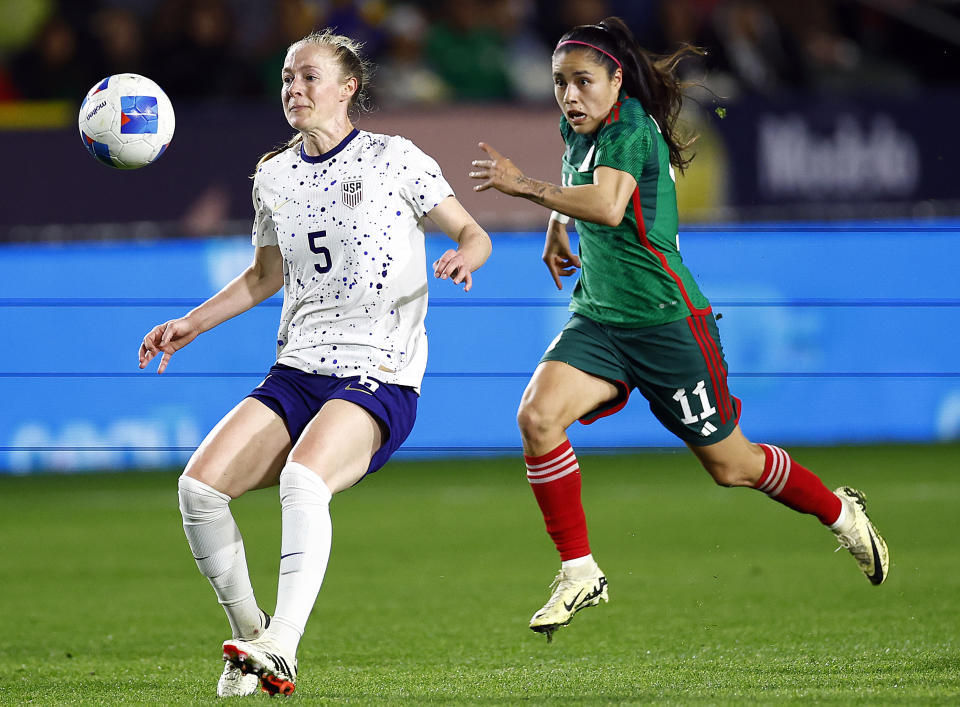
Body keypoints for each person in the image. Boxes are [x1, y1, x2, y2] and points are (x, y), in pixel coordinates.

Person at [468, 17, 888, 642]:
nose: (569, 96)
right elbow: (585, 189)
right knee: (537, 416)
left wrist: (524, 189)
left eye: (583, 82)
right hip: (602, 318)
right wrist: (559, 230)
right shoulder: (576, 126)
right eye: (560, 83)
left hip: (668, 324)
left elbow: (609, 205)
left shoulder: (632, 128)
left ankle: (840, 514)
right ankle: (579, 569)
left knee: (732, 465)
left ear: (616, 80)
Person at [139, 29, 491, 696]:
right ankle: (253, 637)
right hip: (298, 369)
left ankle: (284, 647)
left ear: (347, 87)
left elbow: (473, 232)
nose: (292, 90)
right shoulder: (273, 175)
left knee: (304, 479)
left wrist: (462, 257)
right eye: (285, 79)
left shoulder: (396, 159)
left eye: (306, 78)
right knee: (199, 490)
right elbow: (262, 275)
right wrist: (191, 322)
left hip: (379, 369)